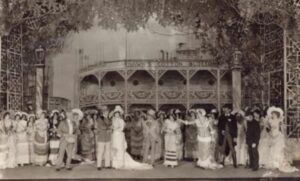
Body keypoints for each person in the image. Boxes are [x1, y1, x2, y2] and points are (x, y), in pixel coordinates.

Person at [110, 105, 152, 170]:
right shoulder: (113, 120)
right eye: (115, 114)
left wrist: (115, 128)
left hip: (119, 136)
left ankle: (120, 164)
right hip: (114, 136)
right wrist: (112, 128)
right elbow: (112, 127)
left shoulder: (121, 121)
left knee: (120, 149)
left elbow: (121, 129)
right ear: (114, 114)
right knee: (114, 149)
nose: (116, 115)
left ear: (119, 114)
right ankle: (114, 164)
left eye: (118, 114)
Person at [265, 106, 298, 173]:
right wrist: (269, 131)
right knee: (272, 150)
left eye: (273, 116)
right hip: (273, 136)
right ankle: (274, 164)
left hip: (277, 137)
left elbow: (274, 127)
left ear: (277, 117)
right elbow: (270, 128)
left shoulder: (276, 122)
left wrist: (271, 128)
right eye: (271, 116)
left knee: (278, 151)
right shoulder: (272, 121)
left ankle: (277, 164)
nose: (271, 117)